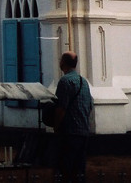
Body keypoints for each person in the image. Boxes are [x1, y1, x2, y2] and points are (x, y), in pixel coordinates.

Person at [53, 50, 93, 182]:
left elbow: (61, 108)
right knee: (79, 170)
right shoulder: (84, 82)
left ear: (63, 63)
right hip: (84, 130)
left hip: (69, 132)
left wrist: (56, 126)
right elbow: (89, 105)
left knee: (66, 169)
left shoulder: (64, 81)